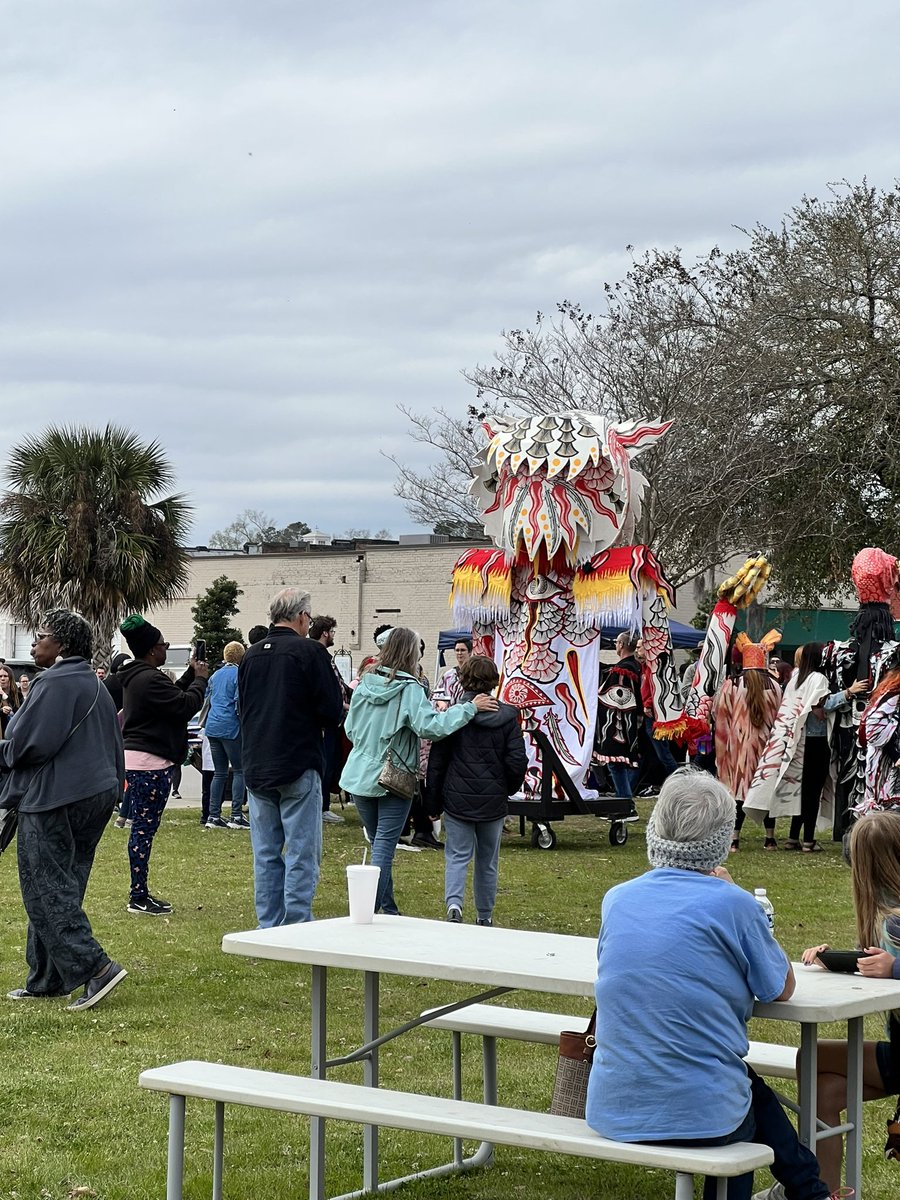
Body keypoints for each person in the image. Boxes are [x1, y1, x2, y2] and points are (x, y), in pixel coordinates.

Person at [585, 767, 838, 1200]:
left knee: (738, 1085)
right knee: (736, 1099)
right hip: (702, 1109)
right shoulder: (734, 905)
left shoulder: (618, 898)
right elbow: (781, 987)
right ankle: (809, 1189)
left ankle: (808, 1189)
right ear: (721, 839)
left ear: (656, 828)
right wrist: (739, 900)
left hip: (615, 1104)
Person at [3, 610, 126, 1011]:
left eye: (41, 637)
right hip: (97, 795)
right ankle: (47, 979)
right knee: (64, 885)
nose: (35, 644)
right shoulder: (94, 683)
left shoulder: (53, 682)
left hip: (56, 797)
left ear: (62, 645)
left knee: (45, 888)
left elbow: (26, 746)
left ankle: (96, 968)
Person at [341, 627, 498, 916]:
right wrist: (469, 709)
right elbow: (432, 727)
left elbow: (350, 728)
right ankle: (370, 912)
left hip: (358, 773)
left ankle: (387, 909)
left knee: (379, 844)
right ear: (411, 653)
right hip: (392, 777)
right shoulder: (410, 688)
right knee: (384, 848)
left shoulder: (364, 684)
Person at [801, 809, 900, 1190]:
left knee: (811, 1055)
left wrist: (894, 968)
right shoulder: (890, 915)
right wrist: (844, 960)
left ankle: (816, 1191)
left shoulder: (894, 919)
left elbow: (893, 965)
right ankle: (826, 1192)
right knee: (825, 1090)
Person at [238, 587, 344, 926]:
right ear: (301, 617)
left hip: (257, 761)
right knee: (301, 851)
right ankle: (297, 922)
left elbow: (244, 708)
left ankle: (268, 923)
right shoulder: (310, 652)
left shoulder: (250, 656)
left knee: (266, 852)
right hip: (298, 760)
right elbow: (330, 711)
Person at [427, 655, 526, 925]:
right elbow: (517, 760)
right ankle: (485, 916)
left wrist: (432, 803)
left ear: (462, 679)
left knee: (457, 855)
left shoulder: (453, 716)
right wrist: (507, 788)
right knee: (488, 860)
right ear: (494, 682)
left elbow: (437, 763)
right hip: (493, 798)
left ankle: (455, 905)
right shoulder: (507, 717)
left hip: (457, 796)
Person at [119, 614, 208, 915]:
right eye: (163, 644)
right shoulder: (150, 679)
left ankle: (140, 892)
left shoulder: (138, 676)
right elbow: (184, 706)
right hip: (150, 763)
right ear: (152, 650)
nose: (166, 648)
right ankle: (138, 896)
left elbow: (171, 697)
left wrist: (188, 675)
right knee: (143, 830)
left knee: (143, 828)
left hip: (141, 759)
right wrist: (200, 679)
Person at [744, 643, 862, 850]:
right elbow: (821, 704)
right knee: (812, 792)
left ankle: (792, 838)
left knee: (801, 789)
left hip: (796, 741)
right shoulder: (819, 679)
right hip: (815, 741)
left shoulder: (795, 679)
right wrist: (848, 693)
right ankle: (808, 840)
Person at [713, 632, 783, 852]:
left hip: (739, 747)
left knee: (738, 791)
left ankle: (734, 839)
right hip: (767, 746)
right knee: (765, 789)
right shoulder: (774, 686)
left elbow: (720, 715)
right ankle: (770, 838)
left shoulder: (732, 685)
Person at [309, 614, 351, 825]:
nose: (334, 635)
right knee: (325, 764)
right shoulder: (318, 656)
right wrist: (344, 705)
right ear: (325, 633)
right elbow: (327, 691)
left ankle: (322, 805)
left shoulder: (323, 656)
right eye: (332, 631)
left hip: (334, 720)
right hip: (326, 722)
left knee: (331, 763)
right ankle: (322, 806)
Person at [593, 632, 644, 798]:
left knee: (616, 763)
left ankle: (625, 802)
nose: (615, 645)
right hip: (630, 723)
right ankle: (624, 800)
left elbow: (614, 699)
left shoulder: (623, 670)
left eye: (616, 642)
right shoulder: (634, 666)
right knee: (619, 765)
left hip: (618, 726)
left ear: (621, 645)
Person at [204, 641, 247, 829]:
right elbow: (239, 702)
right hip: (231, 727)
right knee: (239, 770)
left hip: (212, 727)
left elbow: (208, 698)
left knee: (219, 773)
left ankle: (213, 816)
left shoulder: (215, 675)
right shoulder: (239, 674)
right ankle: (236, 815)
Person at [855, 657, 900, 815]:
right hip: (887, 768)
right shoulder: (893, 694)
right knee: (886, 821)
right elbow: (873, 728)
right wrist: (895, 756)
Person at [439, 638, 472, 706]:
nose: (459, 653)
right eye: (457, 650)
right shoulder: (448, 675)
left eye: (462, 650)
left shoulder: (475, 674)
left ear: (469, 652)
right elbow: (438, 694)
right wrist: (440, 702)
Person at [0, 663, 22, 735]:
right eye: (0, 676)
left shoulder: (18, 694)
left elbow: (21, 712)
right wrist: (1, 710)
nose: (2, 679)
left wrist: (3, 694)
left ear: (10, 678)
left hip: (14, 733)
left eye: (5, 676)